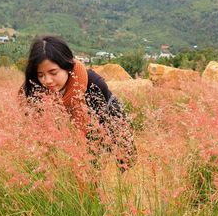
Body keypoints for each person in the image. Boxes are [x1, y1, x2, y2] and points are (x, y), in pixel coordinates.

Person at [21, 35, 136, 171]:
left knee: (122, 160)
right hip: (72, 138)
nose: (47, 80)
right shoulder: (35, 89)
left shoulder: (93, 84)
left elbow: (97, 135)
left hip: (107, 116)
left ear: (66, 66)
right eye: (41, 75)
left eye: (53, 72)